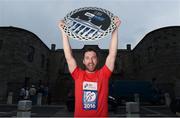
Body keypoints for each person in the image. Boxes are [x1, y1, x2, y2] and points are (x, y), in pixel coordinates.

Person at [58, 16, 121, 117]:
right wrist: (63, 31)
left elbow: (112, 54)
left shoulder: (104, 74)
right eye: (87, 58)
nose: (90, 61)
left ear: (97, 60)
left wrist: (115, 29)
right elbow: (69, 56)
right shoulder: (78, 74)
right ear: (83, 61)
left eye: (93, 58)